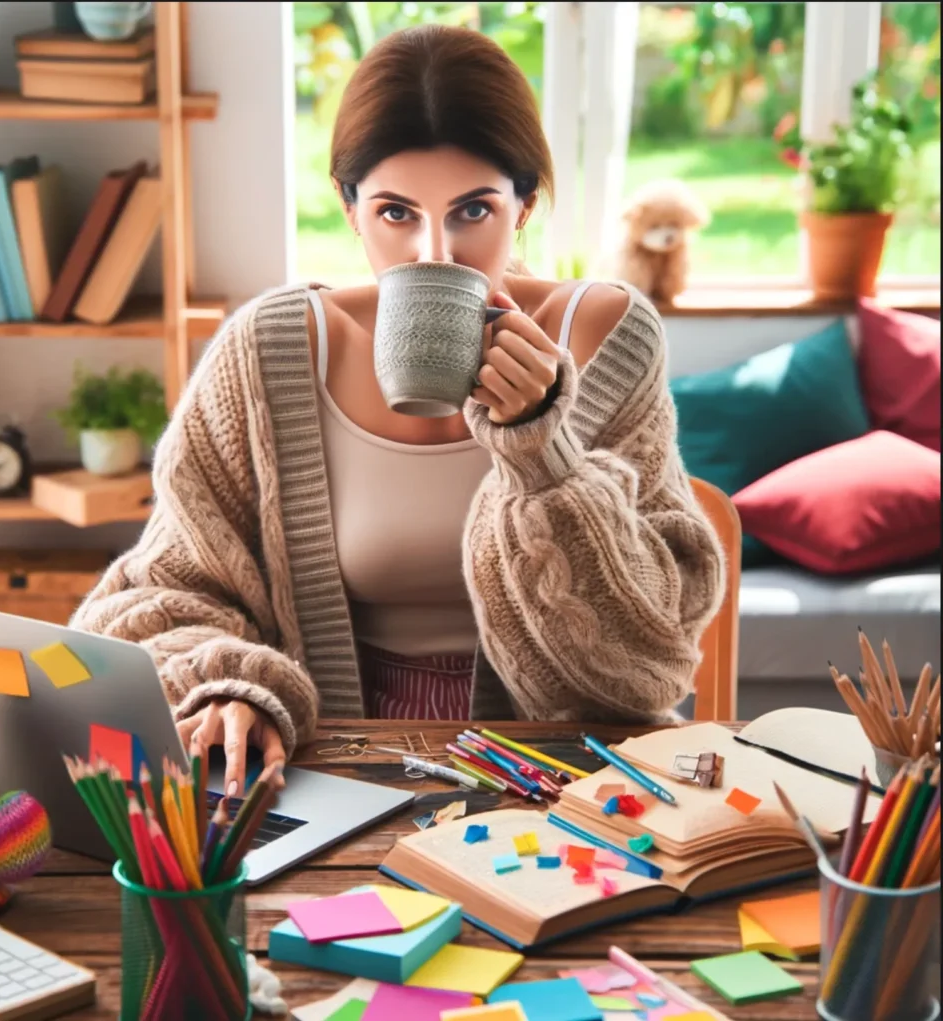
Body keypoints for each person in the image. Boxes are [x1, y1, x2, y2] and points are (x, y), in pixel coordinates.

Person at [70, 24, 726, 798]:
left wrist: (543, 454)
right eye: (395, 213)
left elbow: (646, 666)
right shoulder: (271, 351)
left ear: (525, 205)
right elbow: (156, 595)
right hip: (320, 771)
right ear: (350, 211)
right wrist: (226, 683)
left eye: (474, 210)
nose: (434, 254)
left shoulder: (604, 335)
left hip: (561, 779)